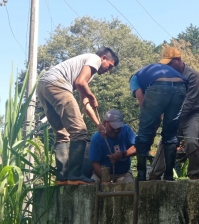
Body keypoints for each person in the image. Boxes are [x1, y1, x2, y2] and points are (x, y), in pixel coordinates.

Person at [37, 47, 119, 185]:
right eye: (109, 66)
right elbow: (80, 83)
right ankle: (75, 175)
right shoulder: (95, 59)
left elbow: (85, 103)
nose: (108, 71)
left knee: (62, 134)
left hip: (43, 85)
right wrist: (92, 96)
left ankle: (62, 178)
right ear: (103, 58)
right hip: (57, 84)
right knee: (79, 131)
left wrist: (98, 124)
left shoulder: (85, 69)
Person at [148, 47, 199, 180]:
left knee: (191, 141)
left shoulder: (193, 76)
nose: (168, 67)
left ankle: (194, 174)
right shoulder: (167, 77)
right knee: (165, 142)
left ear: (178, 60)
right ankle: (154, 175)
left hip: (192, 114)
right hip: (174, 114)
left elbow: (189, 102)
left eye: (170, 63)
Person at [130, 63, 187, 181]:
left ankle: (140, 177)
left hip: (159, 86)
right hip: (181, 86)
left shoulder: (134, 78)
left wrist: (150, 130)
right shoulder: (153, 71)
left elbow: (142, 103)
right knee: (170, 133)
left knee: (144, 133)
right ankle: (169, 175)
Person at [89, 110, 136, 183]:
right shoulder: (96, 138)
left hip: (124, 174)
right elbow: (95, 163)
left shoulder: (126, 130)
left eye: (119, 127)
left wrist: (122, 154)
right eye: (113, 127)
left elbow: (136, 147)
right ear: (105, 123)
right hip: (101, 173)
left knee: (130, 187)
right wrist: (105, 179)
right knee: (93, 186)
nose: (116, 130)